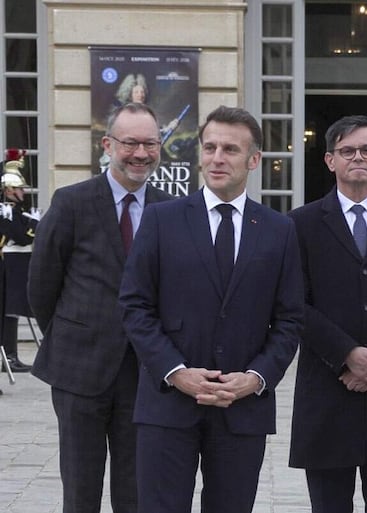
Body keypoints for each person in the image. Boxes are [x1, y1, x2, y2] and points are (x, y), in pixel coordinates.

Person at [119, 105, 304, 513]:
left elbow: (290, 318)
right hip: (168, 403)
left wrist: (256, 378)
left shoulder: (279, 230)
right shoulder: (161, 220)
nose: (217, 158)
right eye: (210, 147)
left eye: (230, 150)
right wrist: (175, 371)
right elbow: (134, 305)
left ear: (253, 160)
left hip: (242, 408)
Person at [28, 102, 173, 513]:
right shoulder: (71, 202)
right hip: (78, 371)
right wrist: (75, 333)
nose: (141, 153)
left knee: (136, 491)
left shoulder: (170, 209)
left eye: (150, 144)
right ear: (108, 145)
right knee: (80, 490)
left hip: (144, 374)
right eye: (130, 143)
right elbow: (42, 286)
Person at [287, 115, 367, 512]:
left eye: (366, 150)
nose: (357, 157)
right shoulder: (300, 224)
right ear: (330, 160)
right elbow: (292, 302)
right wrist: (347, 354)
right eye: (347, 151)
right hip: (328, 387)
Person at [1, 148, 40, 373]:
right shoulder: (6, 211)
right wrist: (34, 224)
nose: (22, 191)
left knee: (13, 312)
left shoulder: (16, 210)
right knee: (10, 311)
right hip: (11, 262)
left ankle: (10, 356)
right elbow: (23, 238)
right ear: (8, 190)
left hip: (18, 262)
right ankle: (9, 356)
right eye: (18, 188)